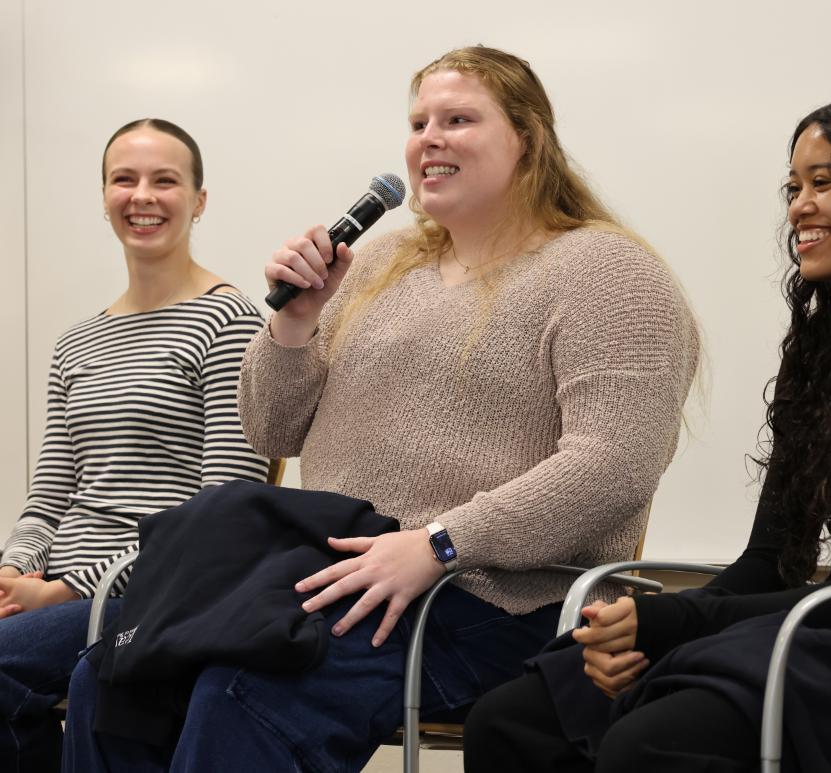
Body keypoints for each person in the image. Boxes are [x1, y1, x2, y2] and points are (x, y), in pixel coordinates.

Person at [61, 46, 699, 771]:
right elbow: (270, 429)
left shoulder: (606, 271)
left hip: (495, 597)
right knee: (114, 681)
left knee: (244, 692)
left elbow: (615, 463)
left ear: (529, 139)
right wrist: (295, 323)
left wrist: (438, 544)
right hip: (328, 574)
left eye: (458, 120)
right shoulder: (380, 263)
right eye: (419, 122)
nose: (430, 139)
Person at [462, 93, 831, 773]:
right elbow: (768, 561)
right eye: (793, 187)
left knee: (650, 743)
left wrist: (672, 623)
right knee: (512, 721)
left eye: (823, 183)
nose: (799, 207)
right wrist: (644, 629)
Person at [0, 118, 268, 770]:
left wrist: (70, 589)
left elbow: (221, 513)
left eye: (164, 180)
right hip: (52, 588)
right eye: (124, 179)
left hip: (145, 596)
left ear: (199, 200)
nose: (142, 195)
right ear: (104, 196)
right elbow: (49, 498)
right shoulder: (76, 343)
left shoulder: (230, 322)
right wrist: (12, 571)